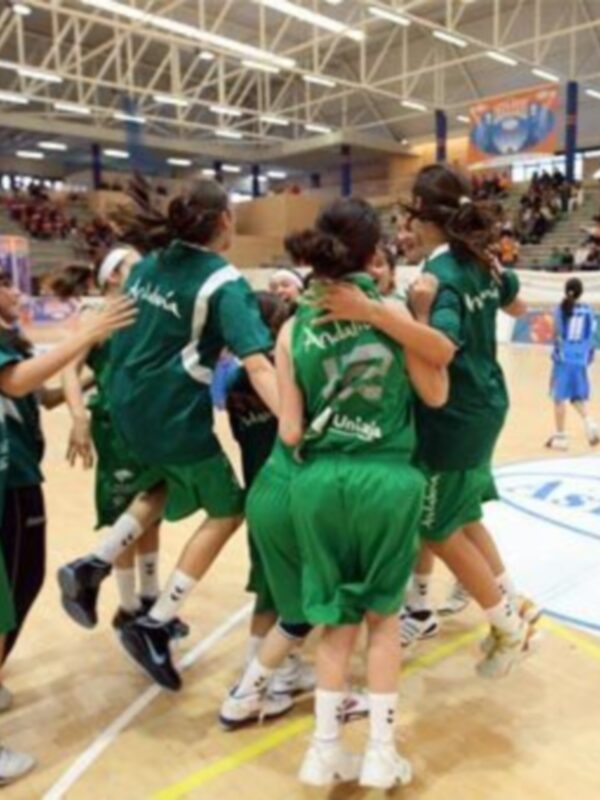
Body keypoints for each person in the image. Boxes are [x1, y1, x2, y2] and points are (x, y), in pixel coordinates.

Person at [57, 176, 278, 692]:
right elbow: (259, 366)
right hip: (169, 413)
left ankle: (95, 563)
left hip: (124, 406)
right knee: (229, 507)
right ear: (225, 220)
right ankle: (154, 623)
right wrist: (293, 421)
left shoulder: (149, 263)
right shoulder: (222, 282)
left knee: (161, 486)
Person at [277, 198, 448, 789]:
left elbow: (291, 431)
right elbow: (435, 392)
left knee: (335, 623)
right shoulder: (392, 309)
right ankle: (379, 751)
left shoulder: (292, 324)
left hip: (319, 481)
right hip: (386, 478)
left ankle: (322, 752)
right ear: (374, 253)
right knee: (383, 619)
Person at [0, 274, 135, 785]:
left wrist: (102, 370)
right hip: (6, 480)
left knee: (23, 583)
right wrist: (83, 335)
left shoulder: (12, 343)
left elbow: (41, 393)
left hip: (19, 477)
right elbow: (14, 382)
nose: (17, 294)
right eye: (6, 288)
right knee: (7, 594)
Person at [61, 247, 188, 635]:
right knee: (130, 510)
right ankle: (128, 605)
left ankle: (147, 602)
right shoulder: (96, 315)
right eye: (135, 264)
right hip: (117, 426)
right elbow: (70, 367)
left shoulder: (144, 313)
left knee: (149, 514)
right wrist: (79, 416)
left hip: (149, 420)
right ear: (114, 276)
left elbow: (110, 368)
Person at [546, 278, 598, 449]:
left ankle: (561, 437)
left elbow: (556, 334)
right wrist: (589, 355)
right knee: (577, 395)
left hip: (564, 358)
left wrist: (555, 356)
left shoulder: (561, 310)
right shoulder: (588, 311)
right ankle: (590, 424)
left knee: (558, 397)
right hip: (580, 358)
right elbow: (591, 336)